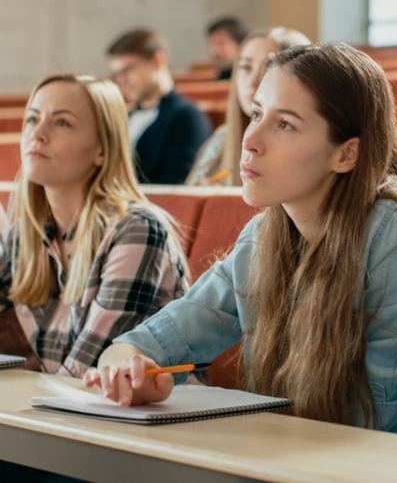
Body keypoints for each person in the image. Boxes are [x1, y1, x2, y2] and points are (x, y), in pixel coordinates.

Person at [85, 43, 397, 435]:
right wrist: (130, 365)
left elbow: (371, 422)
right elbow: (158, 337)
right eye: (256, 113)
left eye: (283, 124)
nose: (249, 139)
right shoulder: (265, 234)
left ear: (346, 154)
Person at [0, 74, 188, 378]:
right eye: (32, 119)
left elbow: (86, 375)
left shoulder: (138, 230)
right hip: (65, 414)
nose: (38, 134)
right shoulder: (27, 234)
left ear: (102, 149)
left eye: (62, 123)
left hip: (146, 420)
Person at [186, 27, 311, 186]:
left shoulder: (305, 144)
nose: (251, 83)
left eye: (267, 69)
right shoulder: (223, 138)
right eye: (245, 67)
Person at [107, 29, 212, 184]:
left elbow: (176, 186)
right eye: (116, 74)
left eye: (127, 70)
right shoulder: (124, 116)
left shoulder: (187, 117)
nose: (121, 80)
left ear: (157, 61)